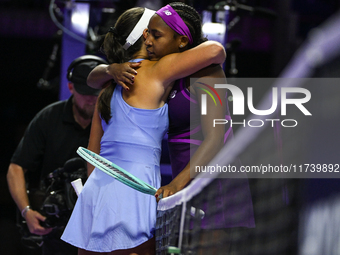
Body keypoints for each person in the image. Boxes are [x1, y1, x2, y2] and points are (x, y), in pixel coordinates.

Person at [88, 2, 255, 254]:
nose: (150, 41)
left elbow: (215, 138)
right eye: (148, 35)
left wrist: (177, 185)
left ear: (181, 41)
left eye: (156, 35)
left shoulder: (209, 74)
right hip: (185, 179)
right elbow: (92, 78)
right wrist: (111, 69)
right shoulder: (167, 74)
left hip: (216, 178)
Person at [6, 55, 107, 255]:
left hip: (99, 221)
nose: (92, 99)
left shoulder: (113, 122)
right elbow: (16, 167)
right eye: (85, 92)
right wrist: (27, 211)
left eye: (97, 92)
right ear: (71, 87)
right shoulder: (48, 117)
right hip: (55, 224)